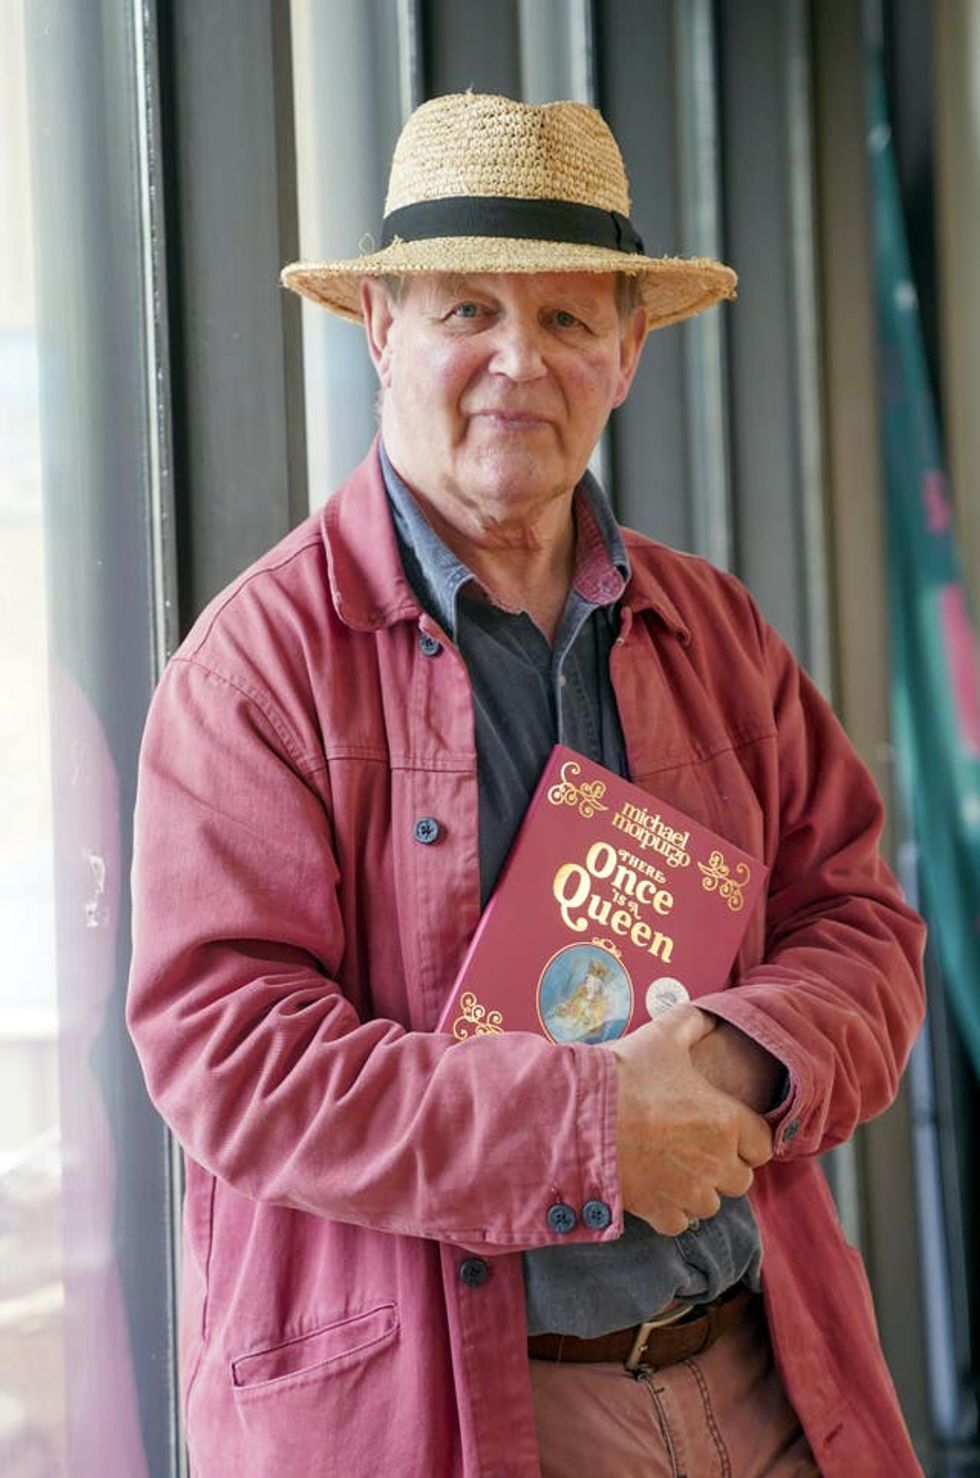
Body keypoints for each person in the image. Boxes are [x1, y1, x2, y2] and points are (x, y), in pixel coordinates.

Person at [127, 92, 926, 1476]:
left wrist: (732, 1060)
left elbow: (863, 923)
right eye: (468, 311)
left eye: (566, 319)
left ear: (627, 351)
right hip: (462, 1416)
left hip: (763, 1373)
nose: (518, 361)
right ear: (381, 332)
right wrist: (595, 1127)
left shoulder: (718, 635)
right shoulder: (253, 671)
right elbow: (232, 1052)